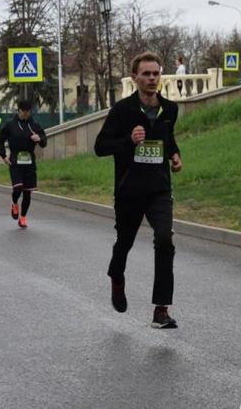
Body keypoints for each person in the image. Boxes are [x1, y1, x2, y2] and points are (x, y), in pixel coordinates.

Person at [94, 51, 183, 329]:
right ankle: (116, 276)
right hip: (129, 189)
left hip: (158, 188)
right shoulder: (122, 110)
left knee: (164, 241)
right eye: (146, 74)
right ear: (135, 78)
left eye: (156, 73)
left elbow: (167, 139)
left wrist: (175, 155)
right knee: (125, 243)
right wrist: (129, 141)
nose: (152, 79)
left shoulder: (169, 109)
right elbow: (100, 147)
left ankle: (161, 309)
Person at [0, 99, 47, 229]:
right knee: (18, 188)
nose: (25, 114)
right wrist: (3, 155)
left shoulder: (34, 125)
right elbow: (0, 140)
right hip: (15, 161)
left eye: (27, 112)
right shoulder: (10, 125)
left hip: (29, 162)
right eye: (23, 112)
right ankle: (14, 203)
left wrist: (39, 138)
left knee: (28, 192)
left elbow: (44, 140)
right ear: (18, 111)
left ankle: (23, 218)